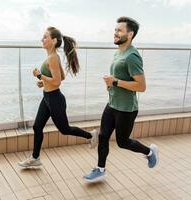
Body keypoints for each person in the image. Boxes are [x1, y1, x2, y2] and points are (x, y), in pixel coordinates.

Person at [83, 17, 159, 182]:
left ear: (130, 34)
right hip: (112, 104)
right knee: (103, 137)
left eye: (119, 30)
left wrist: (115, 81)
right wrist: (111, 84)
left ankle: (150, 153)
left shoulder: (132, 56)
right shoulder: (119, 52)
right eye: (115, 30)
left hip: (126, 109)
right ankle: (100, 169)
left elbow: (141, 86)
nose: (115, 33)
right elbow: (120, 79)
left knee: (123, 143)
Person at [18, 27, 98, 168]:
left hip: (55, 99)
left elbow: (57, 82)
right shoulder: (52, 57)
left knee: (64, 129)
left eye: (45, 37)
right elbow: (62, 76)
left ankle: (91, 135)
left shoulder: (53, 58)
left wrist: (39, 75)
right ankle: (35, 158)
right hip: (47, 97)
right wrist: (43, 82)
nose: (42, 39)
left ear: (54, 40)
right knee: (37, 127)